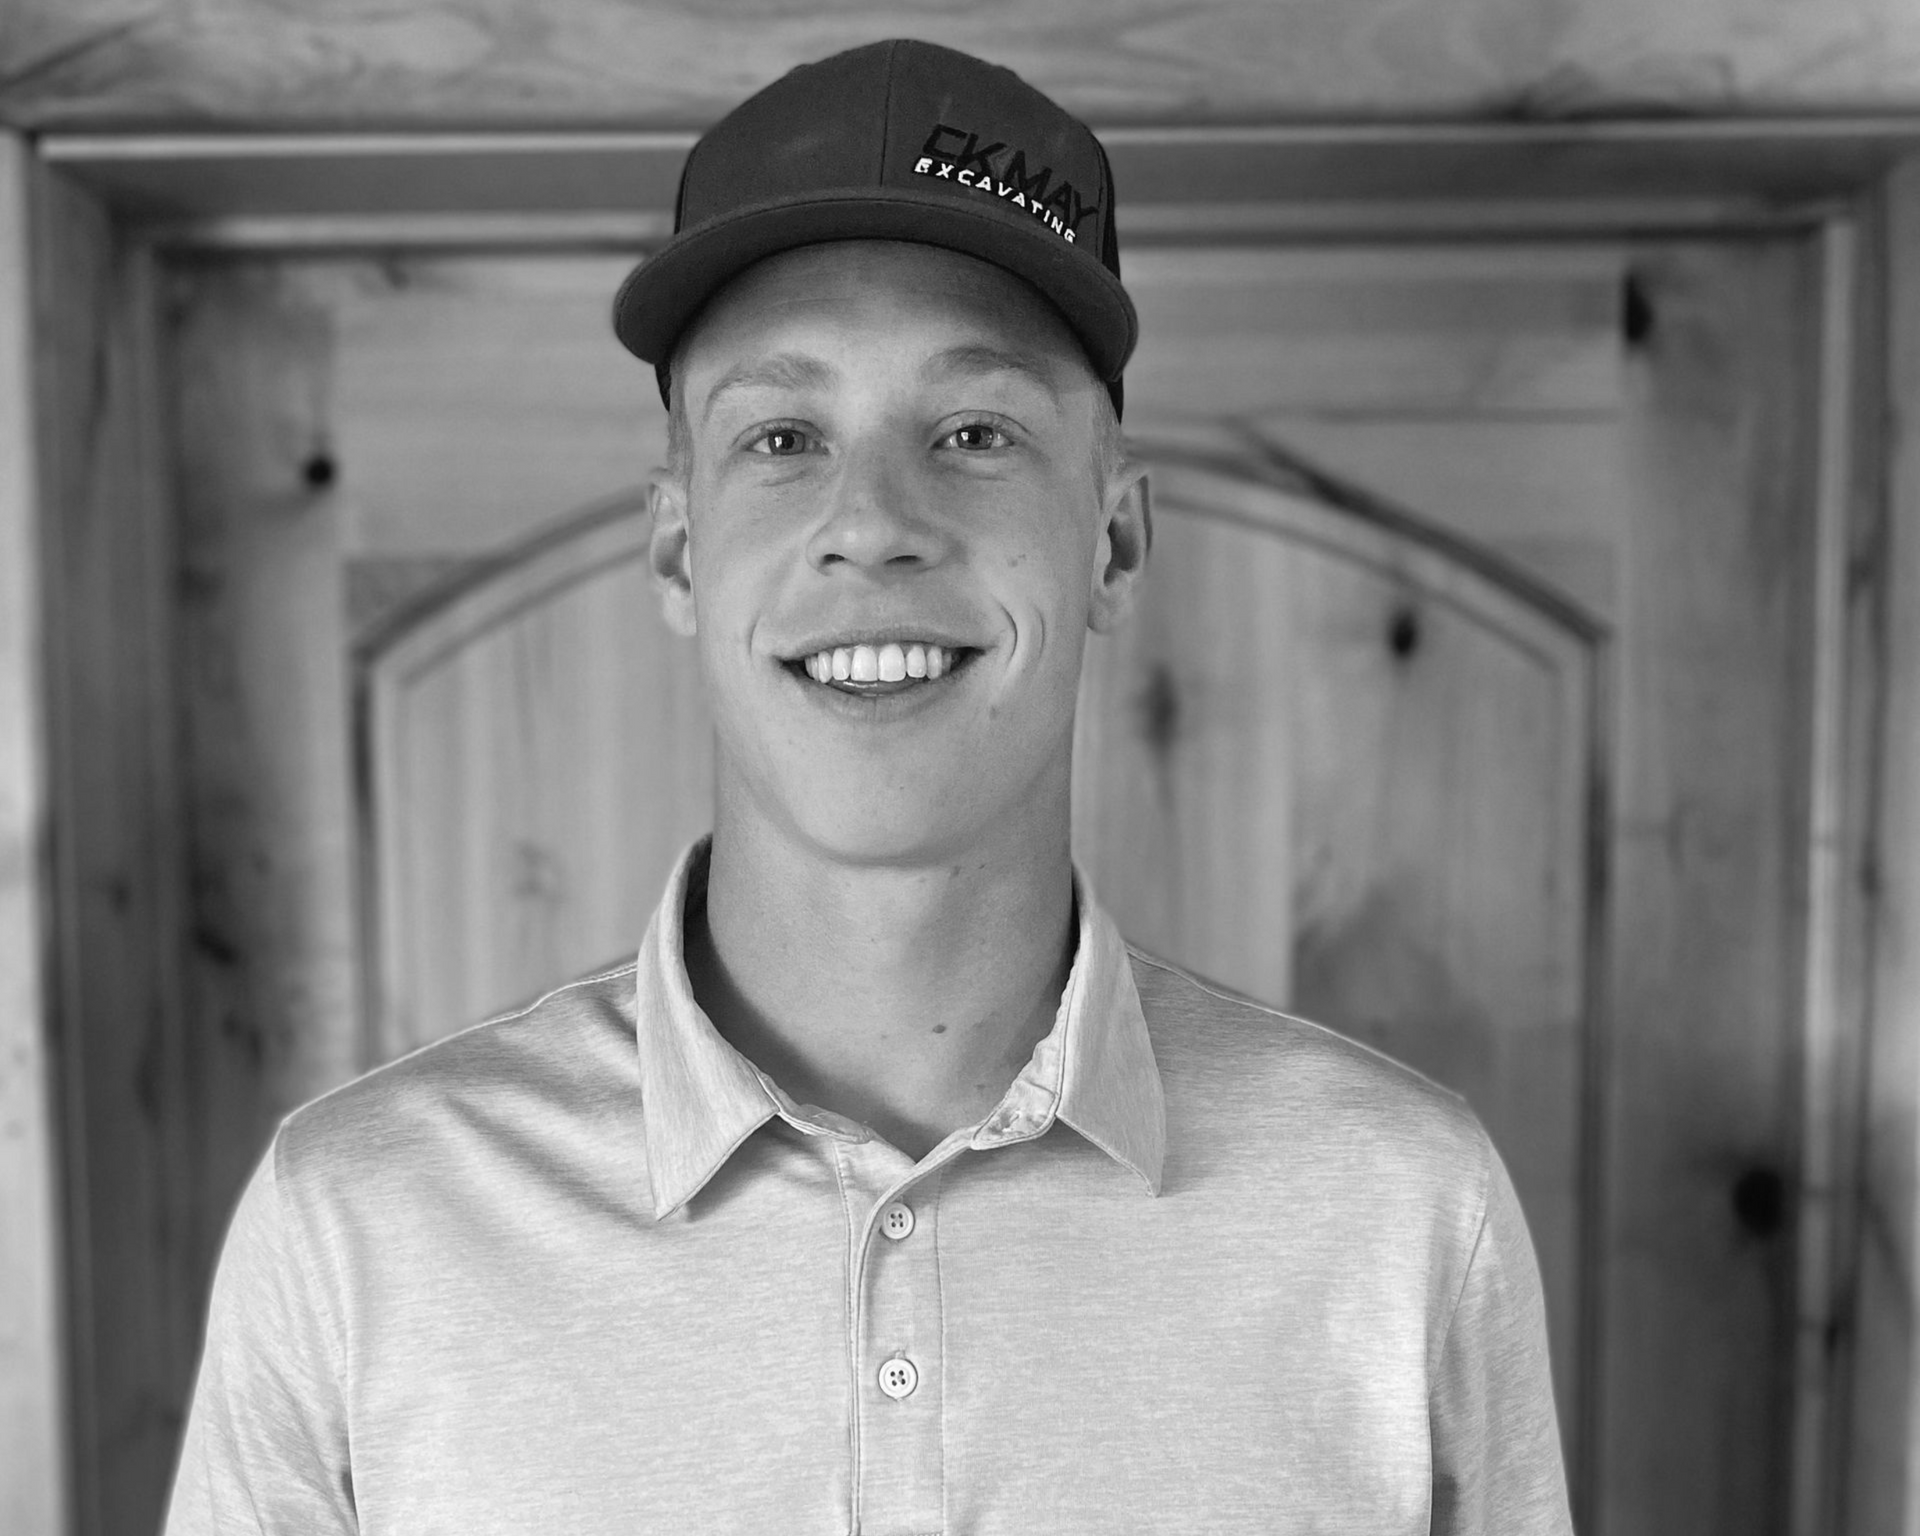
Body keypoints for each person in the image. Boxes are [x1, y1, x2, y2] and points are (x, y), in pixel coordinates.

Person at [164, 38, 1572, 1536]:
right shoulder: (358, 1230)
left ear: (1112, 542)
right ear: (677, 551)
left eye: (974, 432)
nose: (874, 524)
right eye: (783, 439)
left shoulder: (1403, 1217)